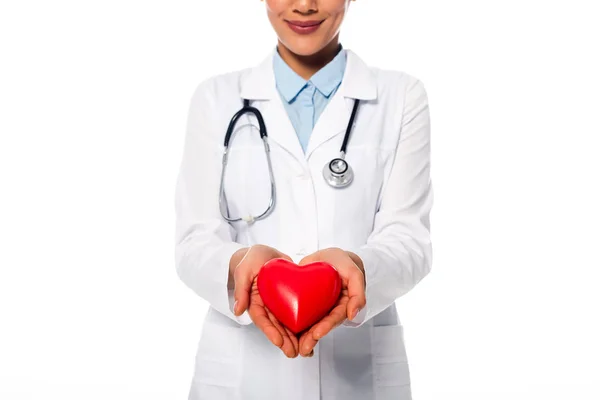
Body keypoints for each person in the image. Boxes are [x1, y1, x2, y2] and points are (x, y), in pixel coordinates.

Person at [174, 0, 433, 399]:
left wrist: (360, 269)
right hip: (241, 377)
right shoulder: (215, 99)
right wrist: (239, 264)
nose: (305, 5)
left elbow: (410, 241)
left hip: (358, 376)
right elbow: (193, 242)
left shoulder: (401, 97)